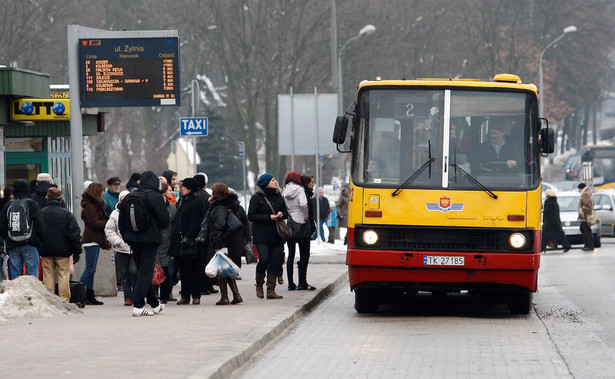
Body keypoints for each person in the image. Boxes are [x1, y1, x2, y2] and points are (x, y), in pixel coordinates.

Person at [119, 171, 170, 317]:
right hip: (150, 239)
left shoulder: (130, 196)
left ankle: (154, 304)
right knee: (146, 271)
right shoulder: (155, 197)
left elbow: (122, 220)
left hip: (133, 239)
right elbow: (164, 220)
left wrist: (126, 236)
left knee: (143, 270)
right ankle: (138, 304)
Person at [203, 183, 245, 305]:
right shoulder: (226, 204)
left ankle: (225, 297)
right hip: (227, 241)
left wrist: (217, 244)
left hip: (221, 242)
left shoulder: (219, 207)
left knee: (221, 268)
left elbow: (220, 225)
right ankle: (235, 295)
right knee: (224, 268)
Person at [248, 173, 288, 300]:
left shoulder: (278, 196)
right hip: (261, 234)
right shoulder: (256, 198)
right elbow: (251, 216)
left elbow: (286, 212)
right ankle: (259, 284)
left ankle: (271, 290)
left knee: (276, 261)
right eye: (272, 180)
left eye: (275, 179)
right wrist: (268, 217)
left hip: (277, 234)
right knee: (264, 259)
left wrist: (282, 214)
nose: (275, 181)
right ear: (265, 183)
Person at [39, 188, 82, 301]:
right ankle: (64, 300)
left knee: (48, 274)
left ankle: (50, 299)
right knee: (63, 275)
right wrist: (77, 251)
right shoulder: (67, 214)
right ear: (61, 198)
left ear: (47, 199)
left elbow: (37, 232)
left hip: (46, 250)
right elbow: (74, 234)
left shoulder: (41, 213)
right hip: (63, 251)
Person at [169, 177, 205, 305]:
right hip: (180, 240)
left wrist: (188, 238)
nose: (181, 189)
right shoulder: (183, 200)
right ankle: (185, 295)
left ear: (189, 189)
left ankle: (196, 295)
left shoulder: (197, 202)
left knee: (194, 269)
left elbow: (196, 223)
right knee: (183, 270)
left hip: (190, 241)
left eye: (183, 187)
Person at [0, 179, 46, 279]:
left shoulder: (8, 205)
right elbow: (40, 225)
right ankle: (30, 294)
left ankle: (17, 294)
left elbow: (2, 226)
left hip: (12, 245)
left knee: (16, 277)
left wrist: (8, 238)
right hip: (30, 244)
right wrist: (39, 240)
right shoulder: (31, 204)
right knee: (32, 277)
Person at [282, 172, 316, 291]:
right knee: (304, 254)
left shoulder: (285, 190)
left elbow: (284, 206)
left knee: (290, 255)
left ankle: (291, 284)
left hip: (290, 224)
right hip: (301, 223)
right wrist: (306, 217)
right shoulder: (300, 190)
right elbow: (304, 204)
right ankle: (302, 282)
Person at [105, 190, 137, 306]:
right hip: (121, 249)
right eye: (122, 199)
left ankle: (137, 295)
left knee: (134, 271)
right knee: (124, 274)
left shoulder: (135, 211)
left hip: (134, 248)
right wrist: (117, 242)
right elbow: (109, 230)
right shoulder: (115, 214)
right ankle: (128, 297)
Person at [80, 182, 109, 305]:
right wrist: (106, 222)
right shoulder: (90, 206)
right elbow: (94, 223)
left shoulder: (93, 204)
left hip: (95, 239)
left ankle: (89, 295)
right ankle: (78, 291)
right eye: (101, 190)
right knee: (90, 268)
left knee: (92, 269)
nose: (103, 192)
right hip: (91, 239)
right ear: (97, 192)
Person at [158, 183, 177, 304]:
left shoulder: (172, 207)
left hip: (169, 242)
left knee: (168, 270)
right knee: (156, 269)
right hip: (157, 242)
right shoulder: (154, 208)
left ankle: (165, 295)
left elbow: (175, 223)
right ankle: (155, 294)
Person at [578, 183, 597, 251]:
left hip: (585, 216)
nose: (579, 190)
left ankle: (589, 245)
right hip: (586, 215)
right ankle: (588, 245)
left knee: (585, 231)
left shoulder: (585, 194)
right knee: (586, 230)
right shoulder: (588, 192)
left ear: (581, 188)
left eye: (579, 189)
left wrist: (582, 212)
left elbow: (587, 204)